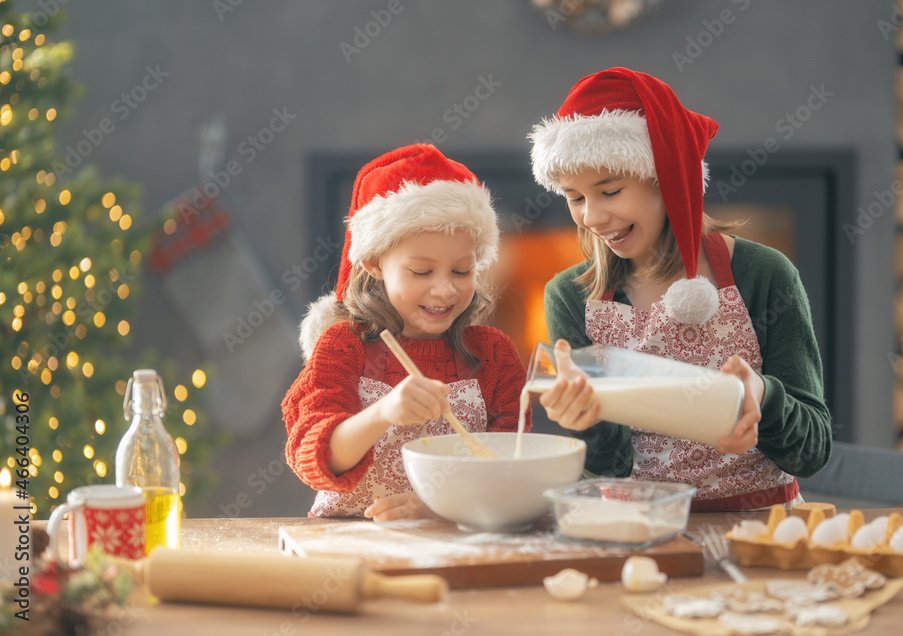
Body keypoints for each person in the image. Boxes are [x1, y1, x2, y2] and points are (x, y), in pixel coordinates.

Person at [528, 67, 832, 511]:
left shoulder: (764, 274)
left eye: (610, 191)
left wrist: (762, 397)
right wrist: (587, 421)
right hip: (637, 526)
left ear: (666, 178)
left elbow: (812, 452)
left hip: (763, 525)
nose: (591, 216)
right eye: (575, 197)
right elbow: (609, 467)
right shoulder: (570, 296)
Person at [282, 144, 529, 521]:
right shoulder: (344, 346)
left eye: (462, 271)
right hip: (346, 543)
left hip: (455, 538)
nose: (445, 290)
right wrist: (383, 412)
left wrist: (439, 507)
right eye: (421, 271)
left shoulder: (493, 356)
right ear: (375, 262)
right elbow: (313, 457)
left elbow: (514, 472)